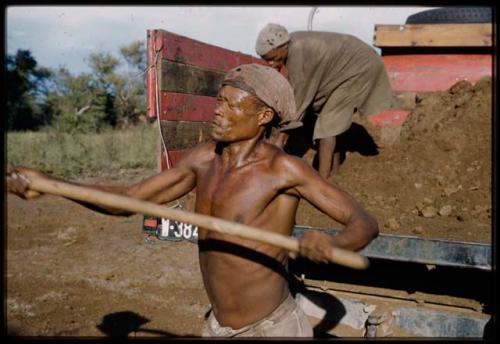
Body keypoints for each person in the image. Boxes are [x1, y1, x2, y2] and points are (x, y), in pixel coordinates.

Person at [6, 63, 379, 338]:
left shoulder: (285, 170)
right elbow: (130, 199)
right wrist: (52, 183)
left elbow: (363, 222)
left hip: (271, 328)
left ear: (264, 116)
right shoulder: (203, 160)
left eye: (233, 105)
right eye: (218, 101)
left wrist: (333, 244)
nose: (218, 110)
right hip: (217, 327)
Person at [255, 23, 394, 178]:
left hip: (359, 70)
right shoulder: (293, 46)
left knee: (327, 123)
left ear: (283, 46)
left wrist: (279, 141)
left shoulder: (298, 52)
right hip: (346, 68)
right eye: (267, 61)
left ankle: (322, 181)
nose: (272, 64)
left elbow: (298, 102)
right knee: (329, 118)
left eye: (274, 59)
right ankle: (333, 172)